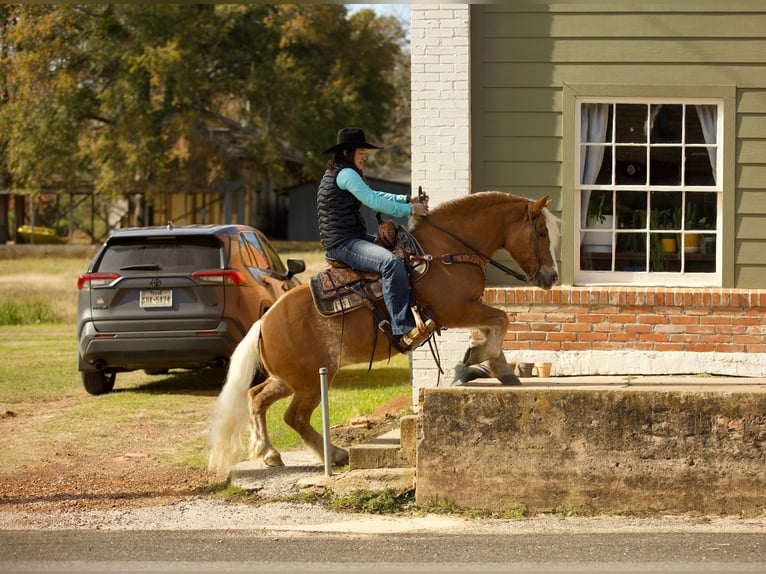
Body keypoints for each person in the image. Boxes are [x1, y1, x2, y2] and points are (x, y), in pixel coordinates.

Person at [317, 127, 433, 350]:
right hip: (344, 244)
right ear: (347, 152)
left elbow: (374, 195)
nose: (364, 156)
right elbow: (373, 201)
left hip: (349, 239)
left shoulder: (340, 173)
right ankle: (402, 327)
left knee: (402, 254)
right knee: (391, 263)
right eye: (361, 151)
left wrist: (406, 197)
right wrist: (410, 209)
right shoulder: (346, 174)